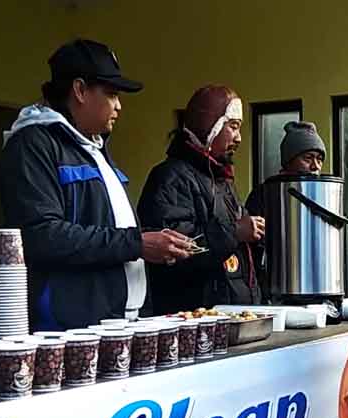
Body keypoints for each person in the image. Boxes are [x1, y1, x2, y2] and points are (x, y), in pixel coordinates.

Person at [0, 39, 192, 330]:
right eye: (112, 94)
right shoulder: (33, 145)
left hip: (122, 319)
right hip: (73, 328)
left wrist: (149, 241)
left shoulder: (92, 148)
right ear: (79, 91)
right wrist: (136, 243)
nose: (119, 106)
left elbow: (103, 229)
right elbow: (42, 235)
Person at [137, 85, 264, 313]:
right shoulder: (170, 177)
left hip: (227, 317)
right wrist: (235, 232)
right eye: (233, 127)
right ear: (210, 127)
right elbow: (176, 250)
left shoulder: (221, 179)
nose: (239, 138)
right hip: (192, 321)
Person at [244, 121, 327, 301]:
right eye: (308, 158)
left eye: (319, 159)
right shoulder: (265, 195)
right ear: (289, 161)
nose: (316, 166)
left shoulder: (324, 197)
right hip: (275, 292)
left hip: (319, 289)